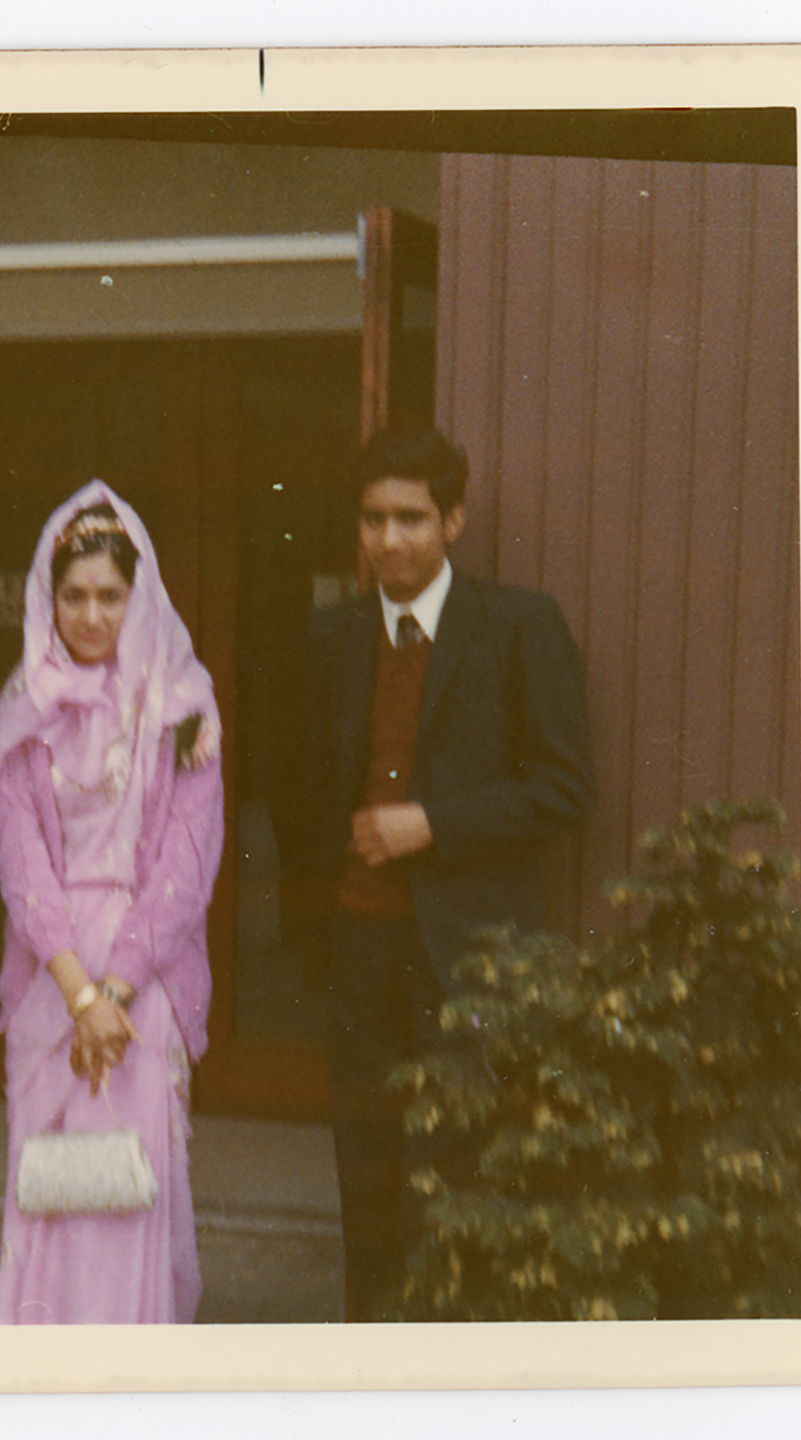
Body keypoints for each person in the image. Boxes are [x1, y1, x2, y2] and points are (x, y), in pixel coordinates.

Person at [306, 427, 595, 1320]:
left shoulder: (518, 626)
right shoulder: (333, 635)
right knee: (365, 1167)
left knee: (460, 1169)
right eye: (373, 519)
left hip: (463, 955)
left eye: (411, 518)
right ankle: (371, 1351)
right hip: (359, 946)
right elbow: (301, 788)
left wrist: (432, 824)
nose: (389, 539)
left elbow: (565, 789)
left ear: (454, 520)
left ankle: (450, 1361)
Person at [0, 481, 225, 1325]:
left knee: (131, 1181)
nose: (91, 616)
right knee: (51, 1184)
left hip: (144, 978)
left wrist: (113, 993)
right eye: (74, 596)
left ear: (140, 597)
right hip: (52, 973)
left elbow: (187, 866)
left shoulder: (182, 708)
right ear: (47, 601)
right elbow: (20, 861)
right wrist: (79, 996)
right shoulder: (23, 708)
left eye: (111, 597)